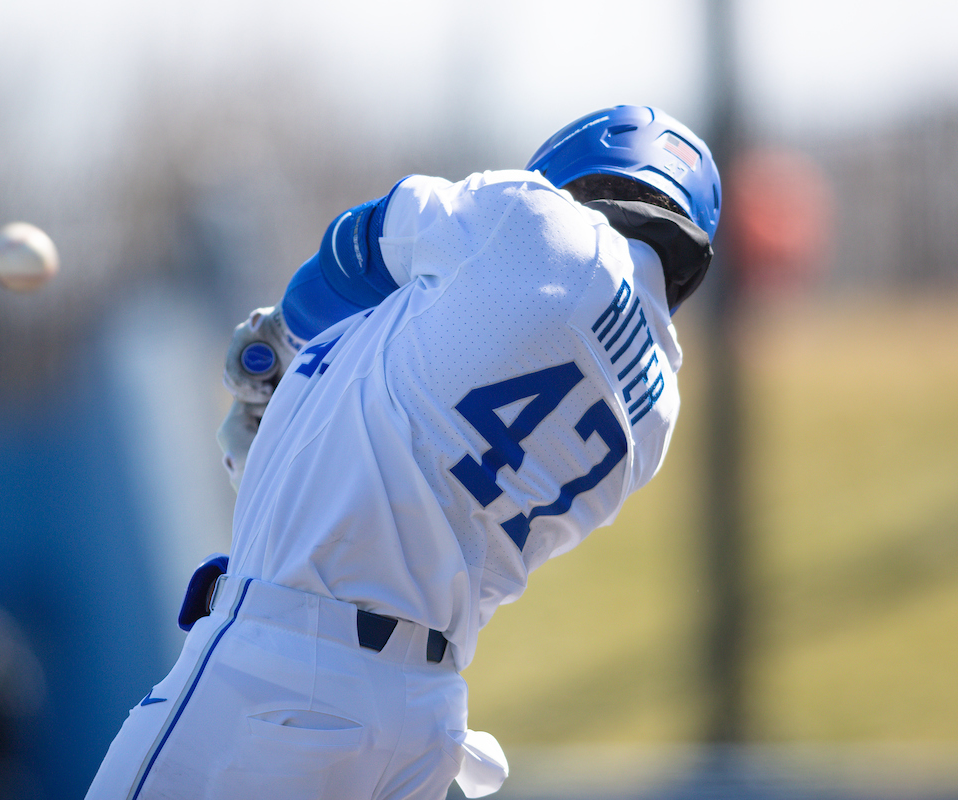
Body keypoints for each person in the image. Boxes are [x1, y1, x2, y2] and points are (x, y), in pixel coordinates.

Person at [84, 104, 721, 800]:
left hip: (280, 676)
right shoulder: (658, 411)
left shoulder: (538, 221)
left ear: (572, 172)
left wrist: (284, 338)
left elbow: (356, 249)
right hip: (419, 724)